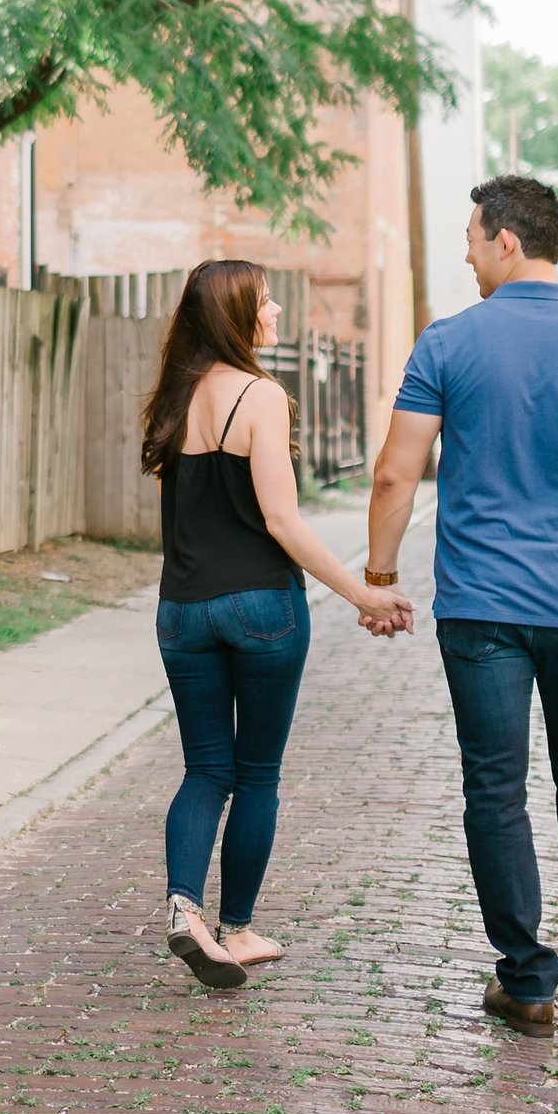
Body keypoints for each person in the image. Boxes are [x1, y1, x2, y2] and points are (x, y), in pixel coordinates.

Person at [365, 175, 558, 1038]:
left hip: (483, 610)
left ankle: (527, 980)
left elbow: (396, 470)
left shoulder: (448, 344)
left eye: (471, 236)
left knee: (495, 790)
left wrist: (380, 574)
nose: (464, 251)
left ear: (506, 240)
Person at [141, 259, 414, 989]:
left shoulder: (174, 401)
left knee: (205, 769)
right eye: (265, 302)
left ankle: (183, 907)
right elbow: (282, 520)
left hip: (182, 610)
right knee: (255, 775)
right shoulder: (260, 396)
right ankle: (237, 927)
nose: (277, 311)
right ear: (237, 316)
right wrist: (362, 592)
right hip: (261, 606)